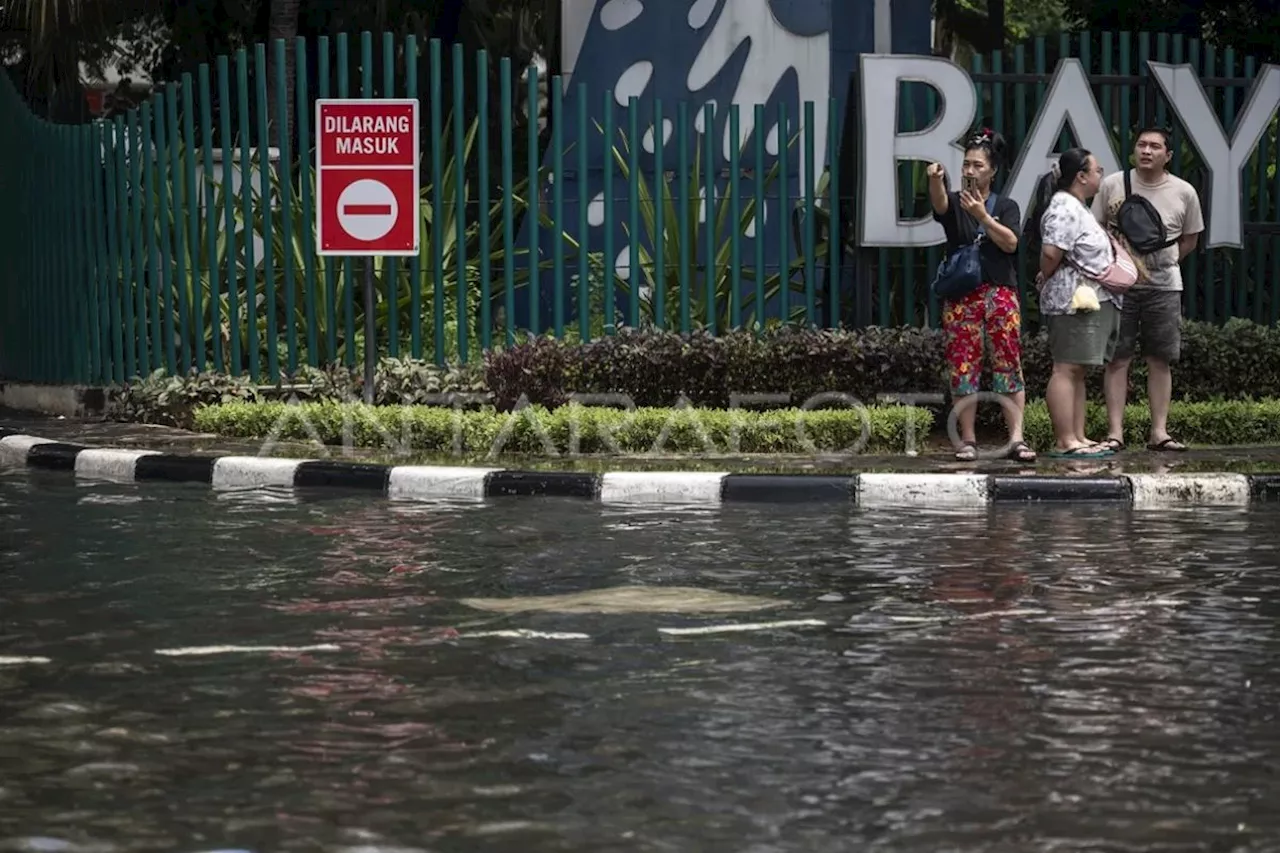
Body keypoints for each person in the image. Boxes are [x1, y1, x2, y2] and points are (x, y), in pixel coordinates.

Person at [1091, 127, 1204, 452]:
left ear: (1167, 155)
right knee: (1117, 358)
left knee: (1160, 358)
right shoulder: (1113, 184)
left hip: (1165, 286)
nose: (1146, 150)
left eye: (1155, 146)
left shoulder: (1184, 192)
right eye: (1141, 144)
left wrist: (1163, 263)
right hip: (1118, 287)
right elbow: (1097, 229)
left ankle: (1159, 432)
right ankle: (1115, 434)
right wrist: (1123, 268)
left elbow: (1190, 238)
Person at [927, 128, 1034, 463]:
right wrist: (934, 178)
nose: (970, 170)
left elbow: (1011, 243)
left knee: (1008, 364)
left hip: (1000, 292)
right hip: (962, 296)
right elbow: (940, 204)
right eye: (966, 164)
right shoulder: (957, 200)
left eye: (977, 165)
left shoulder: (1006, 205)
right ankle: (968, 440)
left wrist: (983, 217)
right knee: (963, 367)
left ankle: (1016, 439)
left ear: (993, 170)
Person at [1027, 147, 1122, 458]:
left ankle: (1078, 437)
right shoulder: (1064, 207)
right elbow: (1052, 253)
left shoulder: (1076, 206)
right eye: (1096, 170)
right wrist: (1046, 273)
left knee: (1077, 370)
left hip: (1084, 299)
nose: (1100, 175)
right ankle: (1065, 439)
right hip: (1070, 301)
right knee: (1066, 368)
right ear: (1080, 176)